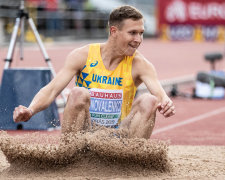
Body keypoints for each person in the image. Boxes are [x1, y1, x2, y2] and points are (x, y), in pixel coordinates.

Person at [13, 5, 175, 139]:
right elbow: (52, 89)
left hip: (119, 137)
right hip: (85, 134)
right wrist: (30, 110)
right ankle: (70, 158)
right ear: (113, 31)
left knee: (149, 100)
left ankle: (131, 161)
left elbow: (160, 95)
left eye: (141, 33)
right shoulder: (82, 55)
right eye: (132, 33)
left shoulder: (140, 64)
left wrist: (166, 102)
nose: (138, 40)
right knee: (77, 93)